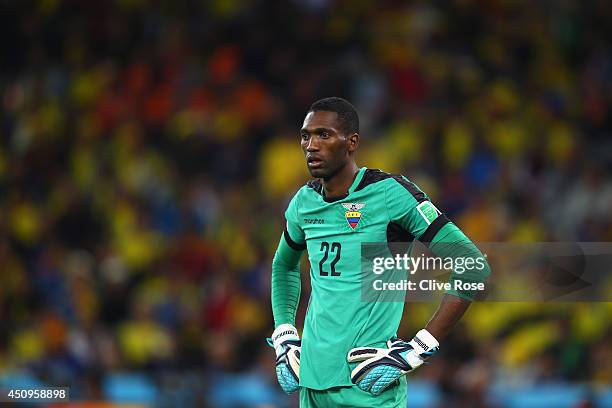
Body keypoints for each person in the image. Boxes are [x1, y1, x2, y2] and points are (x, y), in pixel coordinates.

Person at [269, 97, 490, 407]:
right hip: (312, 384)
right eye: (306, 135)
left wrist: (419, 348)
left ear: (352, 142)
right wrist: (284, 333)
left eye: (324, 135)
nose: (311, 145)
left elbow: (473, 266)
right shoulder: (303, 203)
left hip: (368, 386)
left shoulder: (389, 195)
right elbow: (283, 267)